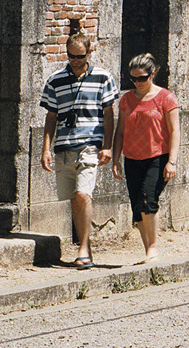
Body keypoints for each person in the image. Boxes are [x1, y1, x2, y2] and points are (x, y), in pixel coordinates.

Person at [37, 21, 117, 269]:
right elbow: (51, 117)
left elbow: (109, 114)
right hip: (64, 146)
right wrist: (45, 149)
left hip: (90, 146)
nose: (75, 60)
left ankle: (82, 247)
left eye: (80, 56)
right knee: (74, 198)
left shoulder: (103, 77)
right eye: (71, 56)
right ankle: (87, 247)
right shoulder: (55, 80)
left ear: (89, 53)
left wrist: (108, 146)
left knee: (84, 194)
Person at [116, 53, 176, 264]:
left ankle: (153, 247)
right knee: (137, 205)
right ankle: (147, 248)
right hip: (132, 157)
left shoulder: (166, 98)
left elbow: (175, 131)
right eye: (133, 79)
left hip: (157, 156)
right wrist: (116, 158)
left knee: (148, 200)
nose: (138, 83)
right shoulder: (126, 99)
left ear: (152, 74)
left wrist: (172, 161)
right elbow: (120, 131)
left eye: (142, 78)